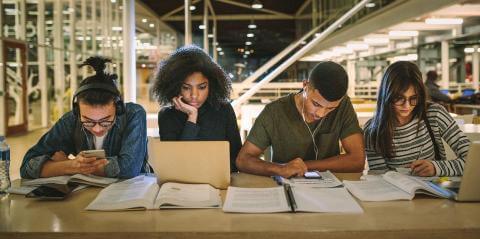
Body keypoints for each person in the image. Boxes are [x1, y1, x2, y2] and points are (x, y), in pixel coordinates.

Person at [21, 56, 149, 179]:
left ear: (118, 108)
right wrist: (70, 166)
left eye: (105, 121)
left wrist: (64, 166)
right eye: (88, 121)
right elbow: (27, 167)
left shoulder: (133, 114)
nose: (98, 129)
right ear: (77, 111)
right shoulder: (70, 120)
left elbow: (129, 169)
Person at [236, 61, 365, 178]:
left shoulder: (343, 106)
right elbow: (243, 160)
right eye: (316, 104)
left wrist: (305, 166)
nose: (321, 114)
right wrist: (280, 169)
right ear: (305, 86)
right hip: (286, 186)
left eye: (330, 108)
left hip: (330, 188)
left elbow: (357, 160)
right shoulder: (274, 112)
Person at [364, 61, 470, 176]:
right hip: (398, 193)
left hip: (435, 191)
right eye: (399, 98)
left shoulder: (435, 114)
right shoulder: (373, 131)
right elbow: (380, 178)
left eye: (413, 98)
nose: (407, 106)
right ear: (386, 96)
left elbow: (474, 160)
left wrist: (437, 168)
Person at [152, 45, 241, 172]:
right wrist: (192, 118)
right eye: (186, 88)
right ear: (176, 86)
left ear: (212, 85)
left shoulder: (223, 110)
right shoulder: (167, 115)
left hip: (218, 181)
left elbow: (237, 157)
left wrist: (212, 172)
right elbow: (176, 163)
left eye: (202, 87)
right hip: (182, 184)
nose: (194, 95)